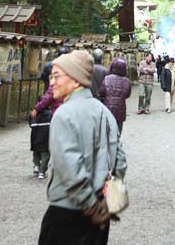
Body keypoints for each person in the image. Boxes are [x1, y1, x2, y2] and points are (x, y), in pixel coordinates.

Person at [40, 50, 127, 245]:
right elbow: (119, 161)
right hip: (100, 212)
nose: (51, 82)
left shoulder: (64, 114)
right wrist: (107, 203)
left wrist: (91, 207)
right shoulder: (104, 112)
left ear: (76, 80)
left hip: (68, 211)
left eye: (56, 76)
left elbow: (70, 168)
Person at [30, 83, 63, 179]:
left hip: (59, 114)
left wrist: (37, 108)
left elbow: (47, 98)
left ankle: (39, 168)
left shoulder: (56, 82)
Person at [99, 57, 131, 132]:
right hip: (120, 108)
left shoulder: (107, 78)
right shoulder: (127, 81)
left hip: (108, 107)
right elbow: (127, 95)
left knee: (107, 130)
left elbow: (102, 92)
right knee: (118, 131)